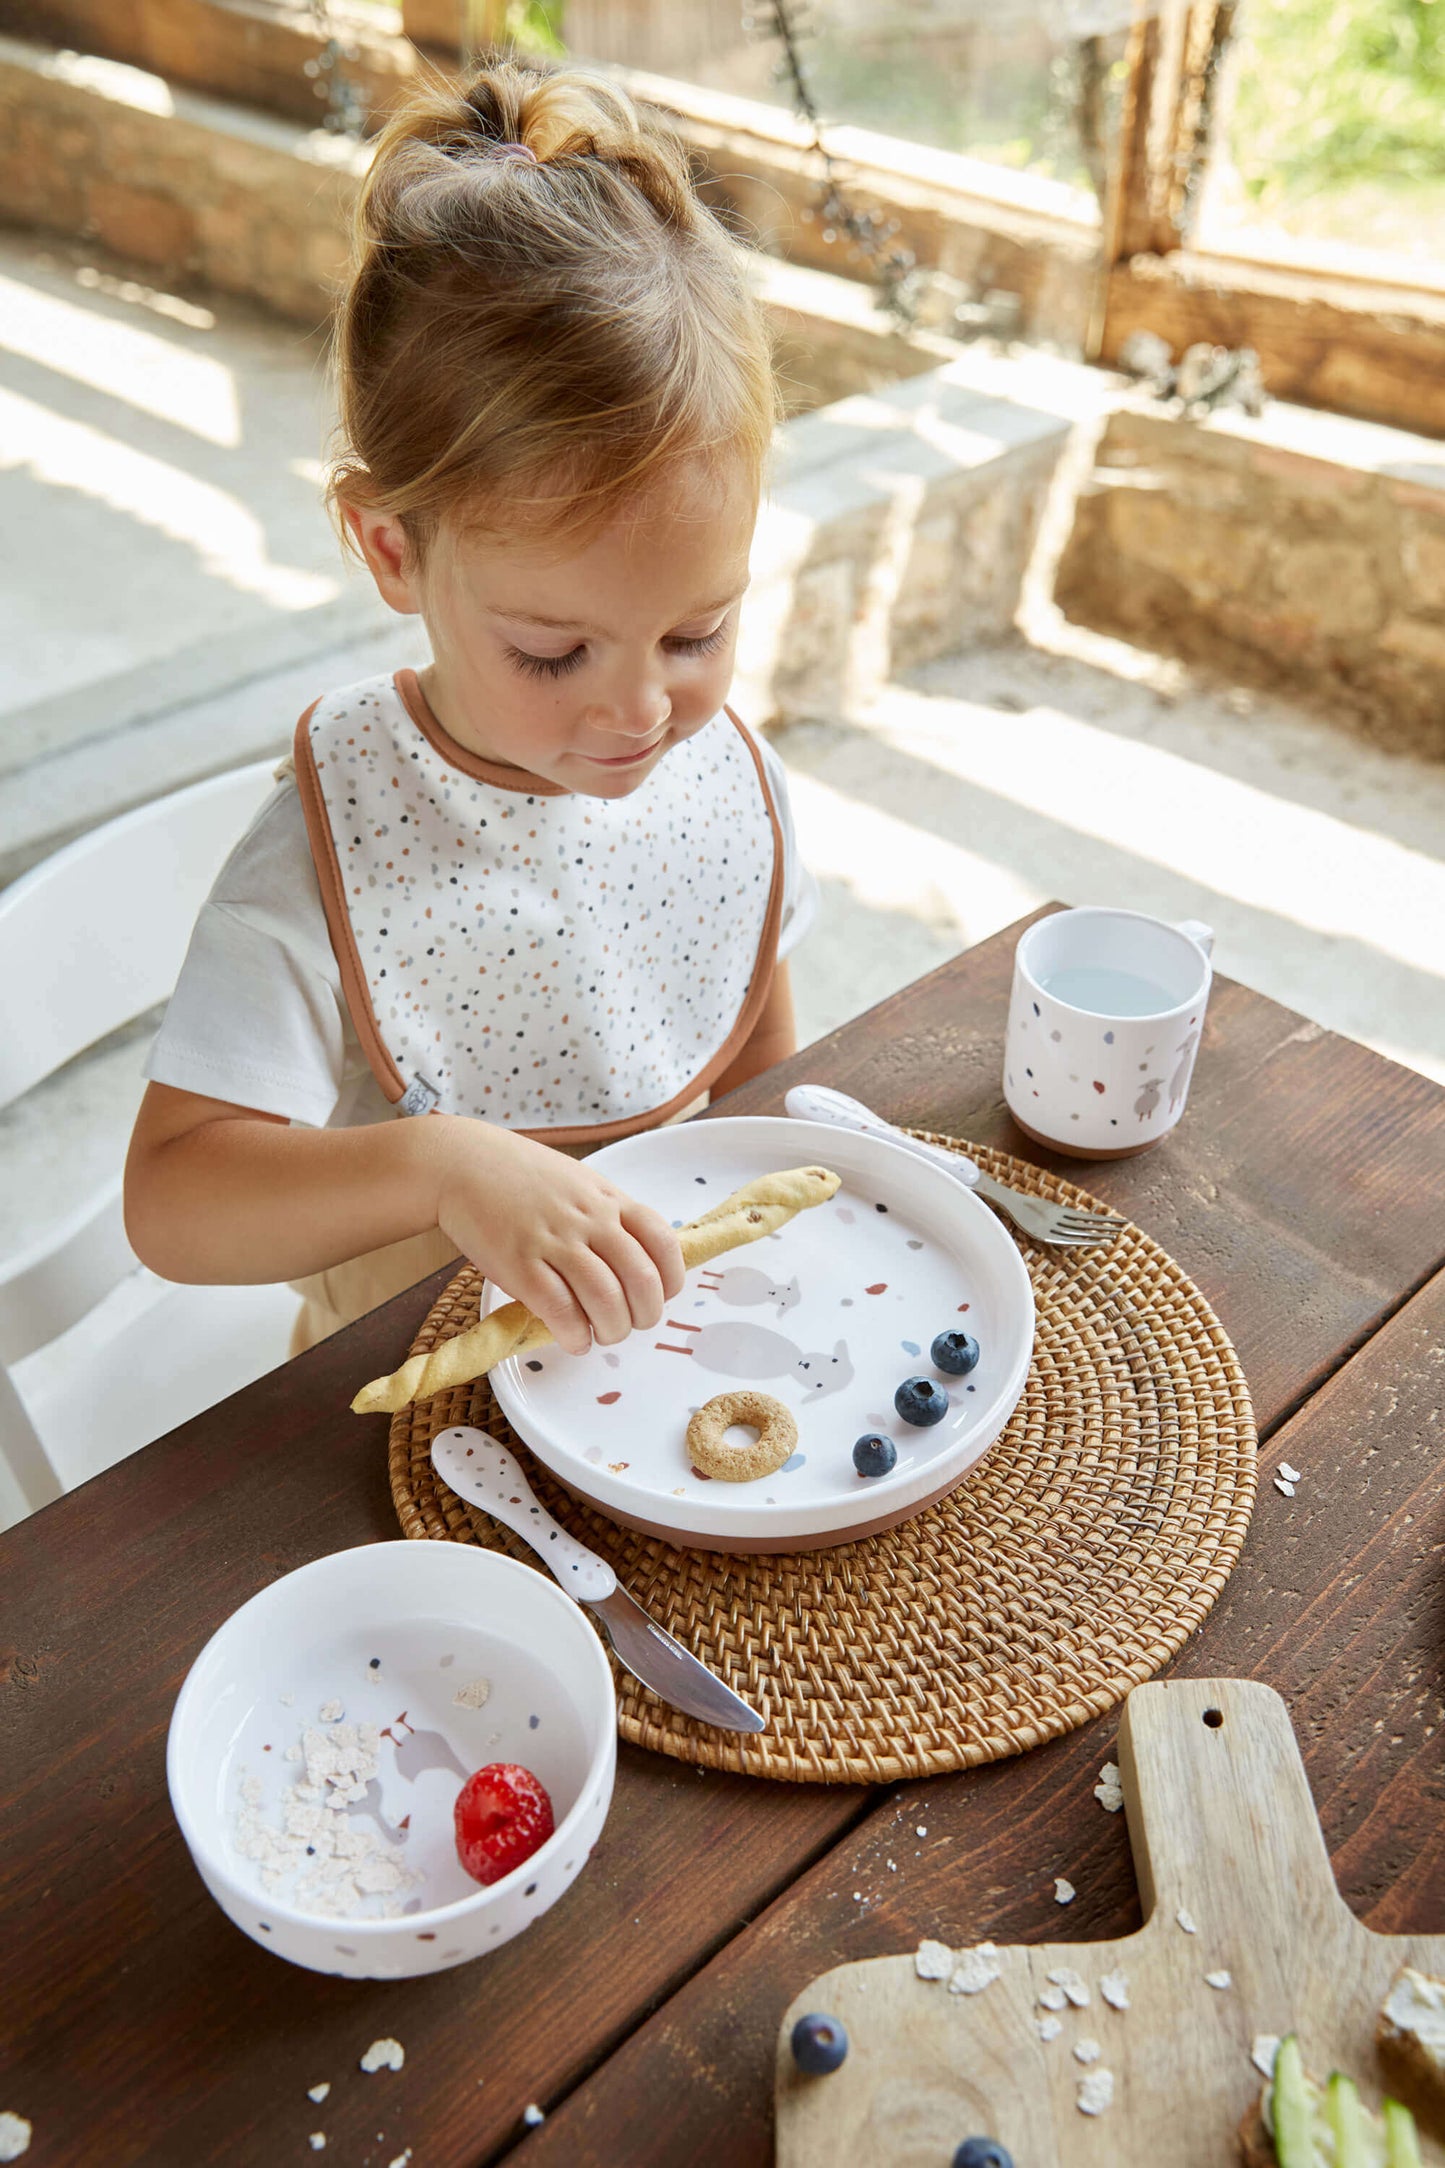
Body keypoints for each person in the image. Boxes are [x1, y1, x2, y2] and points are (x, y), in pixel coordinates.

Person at [123, 61, 815, 1365]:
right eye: (553, 652)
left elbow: (751, 1057)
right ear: (390, 552)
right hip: (408, 1401)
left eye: (696, 632)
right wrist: (440, 1169)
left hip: (654, 1367)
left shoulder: (719, 779)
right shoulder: (333, 849)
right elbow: (172, 1206)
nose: (642, 706)